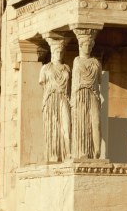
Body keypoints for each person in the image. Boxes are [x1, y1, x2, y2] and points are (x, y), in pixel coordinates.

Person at [38, 37, 71, 162]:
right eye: (56, 51)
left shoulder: (67, 68)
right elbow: (42, 82)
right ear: (52, 52)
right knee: (53, 127)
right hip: (51, 98)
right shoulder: (46, 69)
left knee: (66, 126)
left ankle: (68, 153)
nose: (58, 54)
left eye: (60, 51)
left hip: (63, 98)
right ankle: (54, 155)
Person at [70, 29, 102, 159]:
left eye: (89, 45)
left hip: (93, 93)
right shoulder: (77, 61)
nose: (87, 47)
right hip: (80, 93)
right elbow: (74, 82)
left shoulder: (96, 63)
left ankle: (97, 151)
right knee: (81, 122)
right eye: (85, 45)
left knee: (96, 121)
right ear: (80, 45)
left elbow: (100, 79)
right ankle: (82, 152)